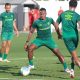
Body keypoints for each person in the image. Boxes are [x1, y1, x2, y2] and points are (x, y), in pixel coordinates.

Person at [24, 8, 69, 74]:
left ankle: (66, 68)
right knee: (30, 48)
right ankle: (31, 65)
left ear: (46, 13)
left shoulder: (50, 20)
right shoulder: (36, 22)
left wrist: (59, 34)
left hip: (49, 40)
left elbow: (56, 26)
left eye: (43, 14)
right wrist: (27, 42)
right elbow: (31, 32)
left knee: (58, 54)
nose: (41, 15)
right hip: (39, 40)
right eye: (40, 14)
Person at [56, 0, 80, 78]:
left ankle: (74, 67)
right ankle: (72, 71)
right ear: (76, 6)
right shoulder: (77, 15)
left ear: (69, 5)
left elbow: (56, 24)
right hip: (75, 37)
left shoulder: (63, 14)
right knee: (73, 54)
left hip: (67, 37)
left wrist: (59, 34)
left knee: (76, 59)